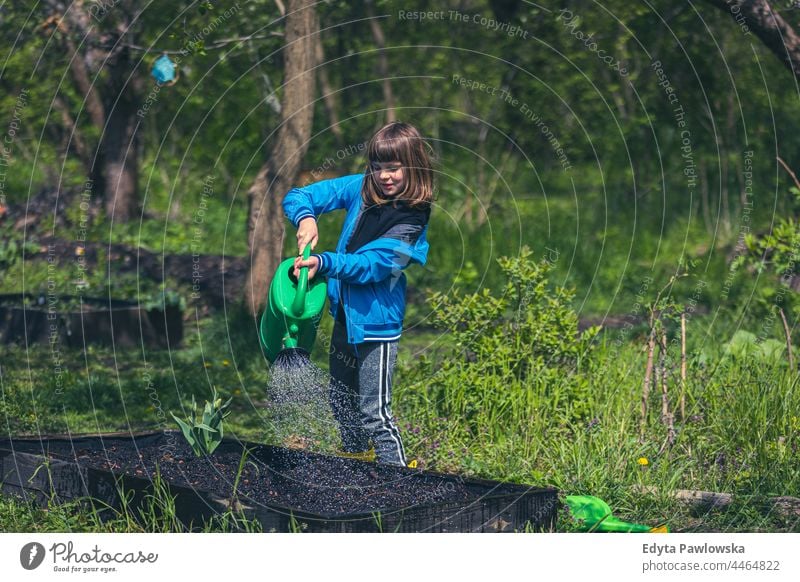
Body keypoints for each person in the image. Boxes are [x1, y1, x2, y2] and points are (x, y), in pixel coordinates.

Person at [282, 121, 434, 467]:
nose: (384, 176)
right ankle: (357, 468)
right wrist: (306, 218)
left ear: (413, 165)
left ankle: (397, 483)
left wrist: (322, 262)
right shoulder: (360, 188)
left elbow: (370, 266)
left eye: (393, 168)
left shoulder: (412, 219)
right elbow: (300, 195)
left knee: (373, 413)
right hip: (345, 319)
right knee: (341, 402)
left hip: (377, 326)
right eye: (378, 167)